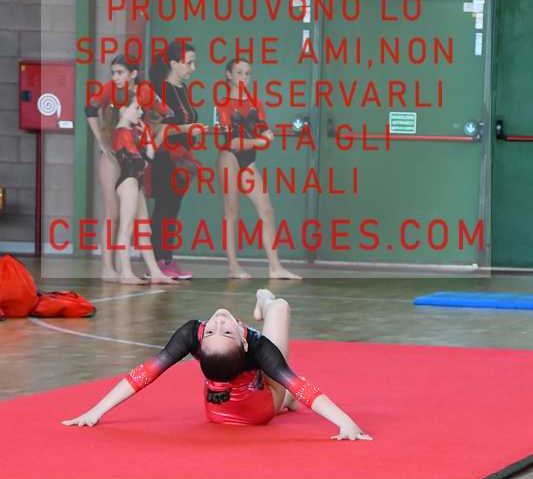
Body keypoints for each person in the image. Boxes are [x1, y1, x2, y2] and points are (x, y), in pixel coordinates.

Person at [62, 289, 372, 440]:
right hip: (258, 411)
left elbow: (144, 373)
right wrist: (346, 423)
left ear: (198, 348)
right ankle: (265, 300)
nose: (219, 321)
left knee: (284, 391)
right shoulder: (260, 348)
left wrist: (96, 411)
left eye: (213, 330)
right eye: (223, 331)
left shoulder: (192, 334)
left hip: (217, 409)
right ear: (245, 341)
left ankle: (284, 401)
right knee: (280, 307)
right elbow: (303, 387)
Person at [217, 59, 302, 281]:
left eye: (247, 73)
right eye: (239, 72)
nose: (244, 77)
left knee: (267, 211)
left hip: (249, 161)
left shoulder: (255, 103)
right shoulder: (223, 104)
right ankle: (233, 266)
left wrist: (265, 136)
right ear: (229, 75)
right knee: (232, 213)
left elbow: (264, 130)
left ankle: (275, 266)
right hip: (230, 158)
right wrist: (258, 141)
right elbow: (233, 142)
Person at [102, 94, 179, 285]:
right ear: (123, 110)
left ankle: (156, 272)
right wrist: (146, 145)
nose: (141, 112)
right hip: (128, 182)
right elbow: (140, 161)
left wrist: (147, 137)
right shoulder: (121, 132)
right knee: (127, 228)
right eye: (136, 108)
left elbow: (148, 159)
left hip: (136, 182)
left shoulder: (133, 132)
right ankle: (126, 272)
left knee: (145, 230)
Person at [149, 41, 207, 280]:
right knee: (164, 209)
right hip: (164, 157)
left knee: (172, 209)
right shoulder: (160, 90)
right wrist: (187, 128)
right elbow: (158, 127)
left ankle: (167, 258)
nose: (193, 68)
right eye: (189, 63)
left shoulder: (182, 89)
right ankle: (158, 261)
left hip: (181, 158)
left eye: (194, 63)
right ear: (174, 63)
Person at [85, 56, 140, 281]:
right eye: (113, 72)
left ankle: (121, 265)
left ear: (133, 74)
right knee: (112, 213)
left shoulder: (141, 92)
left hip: (131, 156)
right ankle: (107, 267)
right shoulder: (109, 89)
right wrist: (101, 141)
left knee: (129, 214)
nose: (116, 77)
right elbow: (89, 109)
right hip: (111, 156)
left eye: (120, 72)